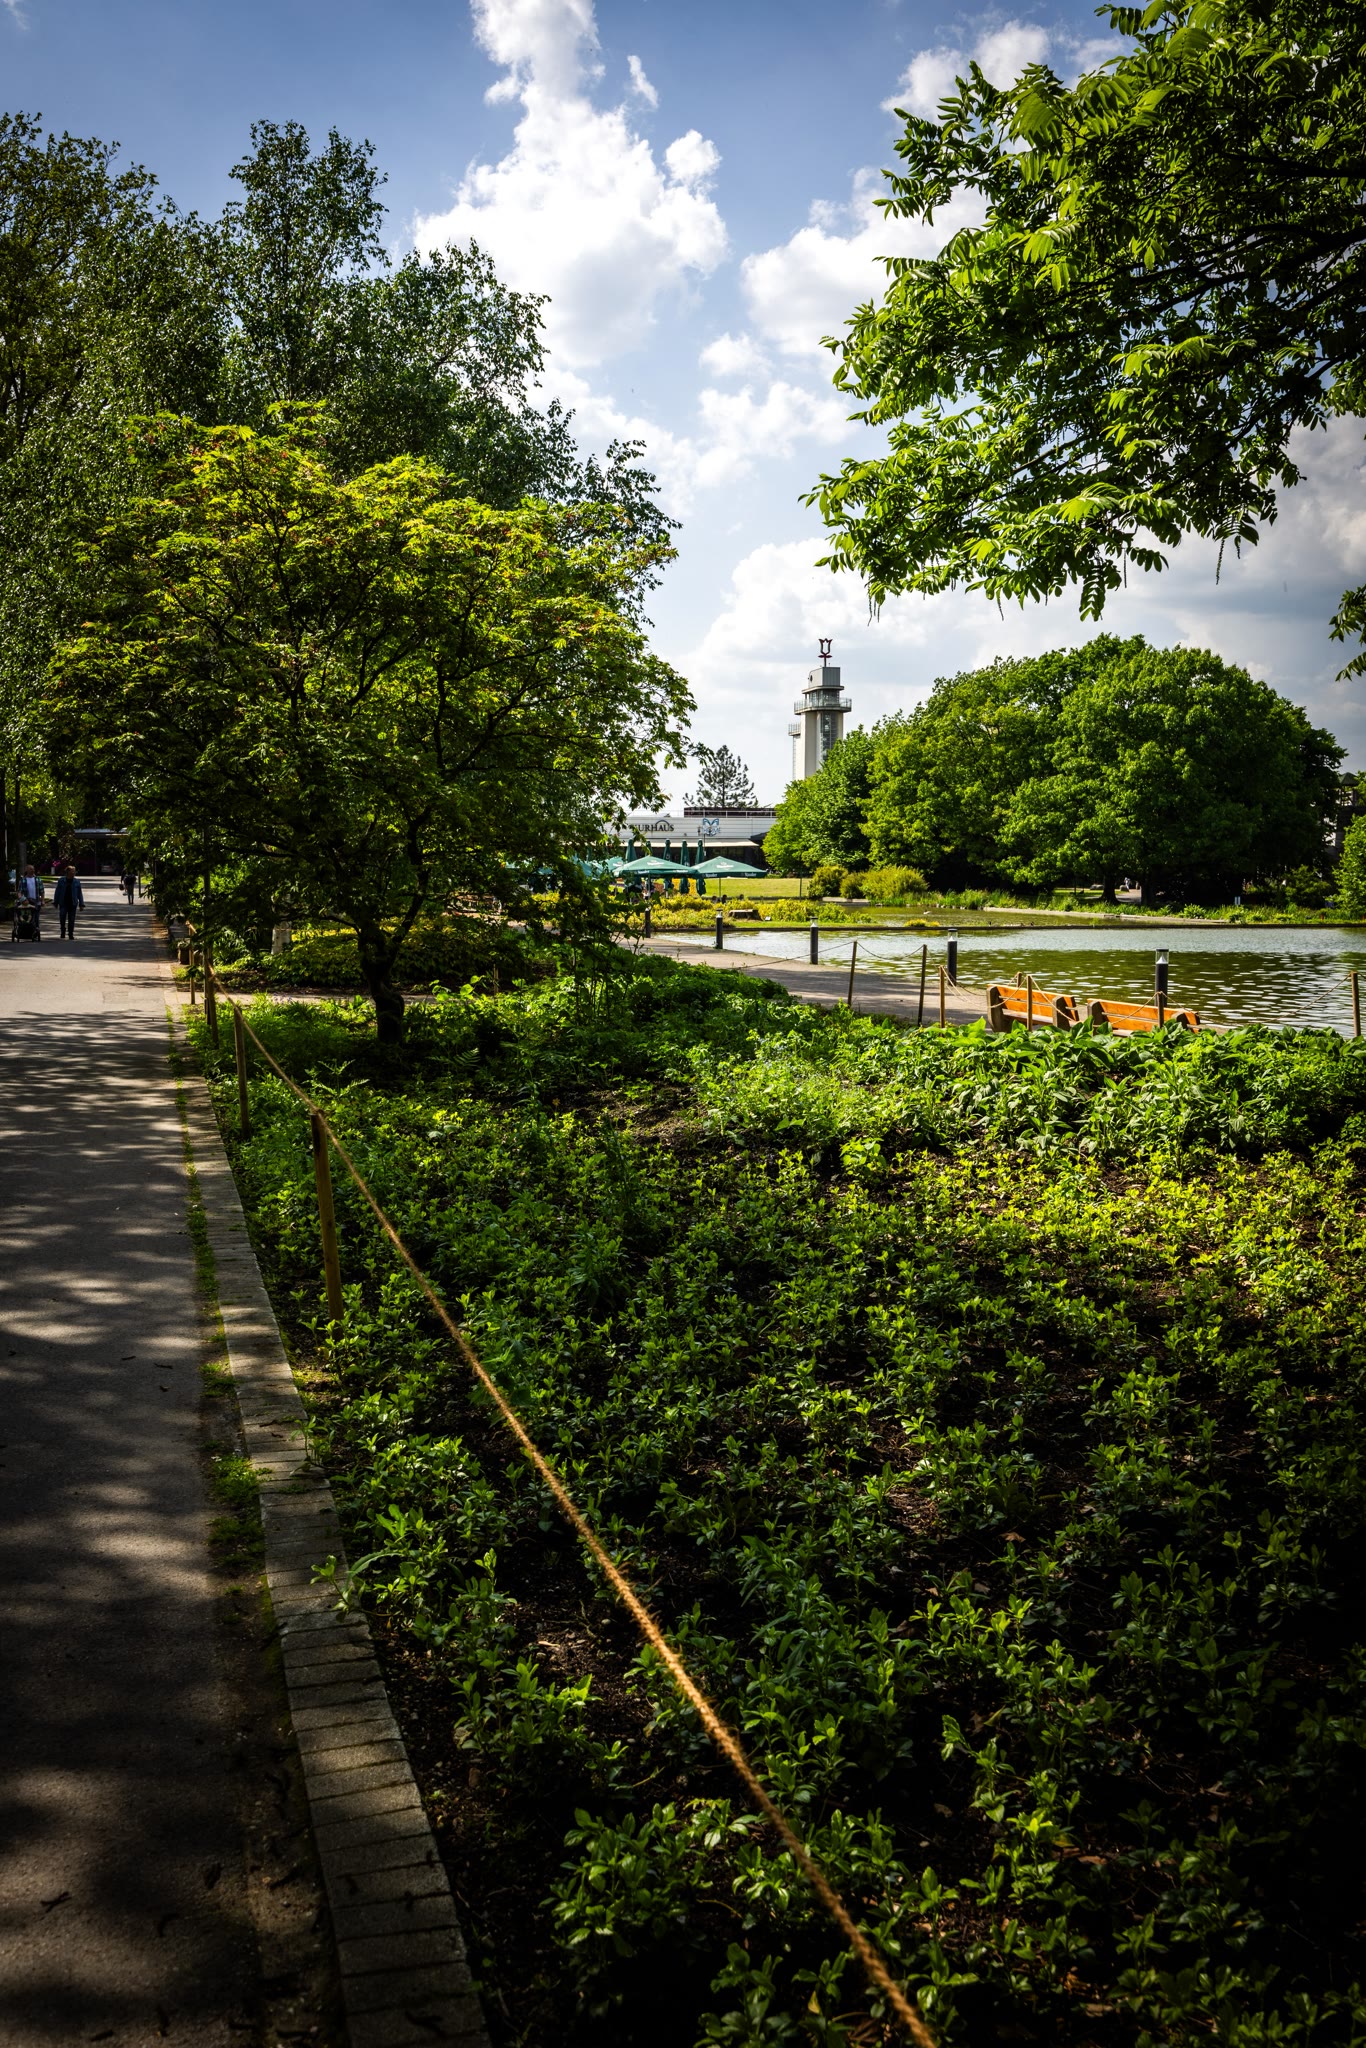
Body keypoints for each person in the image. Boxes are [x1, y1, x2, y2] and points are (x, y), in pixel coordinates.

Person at [53, 864, 84, 940]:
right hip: (63, 902)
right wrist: (56, 902)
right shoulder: (61, 880)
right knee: (62, 917)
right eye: (72, 871)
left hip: (73, 903)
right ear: (68, 872)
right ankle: (62, 931)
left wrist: (81, 904)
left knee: (72, 919)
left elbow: (79, 893)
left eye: (74, 871)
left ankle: (71, 933)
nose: (74, 873)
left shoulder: (77, 881)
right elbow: (57, 891)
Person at [17, 864, 44, 939]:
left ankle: (36, 932)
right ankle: (25, 932)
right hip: (26, 903)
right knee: (27, 919)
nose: (33, 870)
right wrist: (22, 899)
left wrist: (42, 900)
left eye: (33, 869)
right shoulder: (23, 880)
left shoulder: (38, 879)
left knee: (36, 918)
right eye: (31, 869)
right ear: (27, 870)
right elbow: (19, 892)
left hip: (36, 902)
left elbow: (42, 891)